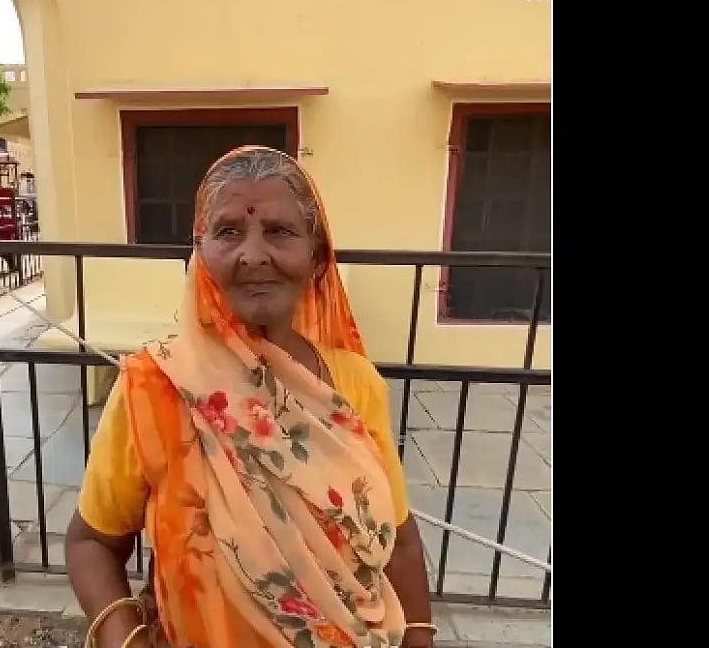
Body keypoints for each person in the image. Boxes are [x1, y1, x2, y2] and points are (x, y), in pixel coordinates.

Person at [66, 146, 436, 648]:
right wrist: (125, 639)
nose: (254, 255)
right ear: (200, 252)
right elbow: (91, 541)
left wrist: (419, 636)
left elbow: (400, 541)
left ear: (316, 255)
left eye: (279, 231)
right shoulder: (151, 387)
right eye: (228, 232)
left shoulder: (354, 383)